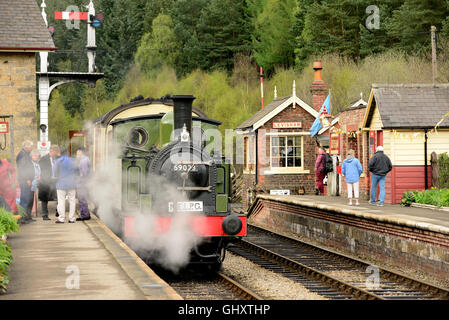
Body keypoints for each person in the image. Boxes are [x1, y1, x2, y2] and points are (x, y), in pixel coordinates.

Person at [53, 146, 77, 224]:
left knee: (61, 201)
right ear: (67, 152)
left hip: (61, 184)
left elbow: (54, 174)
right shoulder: (73, 161)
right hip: (72, 183)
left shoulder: (58, 161)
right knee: (72, 201)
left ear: (60, 153)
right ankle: (72, 218)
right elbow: (78, 172)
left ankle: (61, 218)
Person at [38, 145, 60, 220]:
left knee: (59, 197)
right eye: (55, 152)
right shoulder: (43, 159)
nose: (56, 153)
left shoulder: (57, 158)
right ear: (51, 151)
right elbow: (42, 170)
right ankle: (44, 215)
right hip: (45, 181)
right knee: (44, 199)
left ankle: (59, 212)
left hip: (56, 181)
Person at [16, 140, 35, 223]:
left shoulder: (24, 154)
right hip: (24, 180)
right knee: (24, 199)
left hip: (25, 180)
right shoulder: (23, 155)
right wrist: (27, 178)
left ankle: (25, 217)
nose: (32, 148)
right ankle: (22, 218)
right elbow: (23, 168)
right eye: (31, 147)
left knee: (26, 199)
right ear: (27, 147)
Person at [75, 147, 92, 221]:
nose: (77, 153)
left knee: (82, 199)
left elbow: (83, 173)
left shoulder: (84, 161)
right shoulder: (84, 159)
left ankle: (84, 215)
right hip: (83, 182)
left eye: (78, 151)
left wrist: (76, 176)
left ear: (81, 152)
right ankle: (85, 214)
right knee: (82, 199)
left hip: (82, 182)